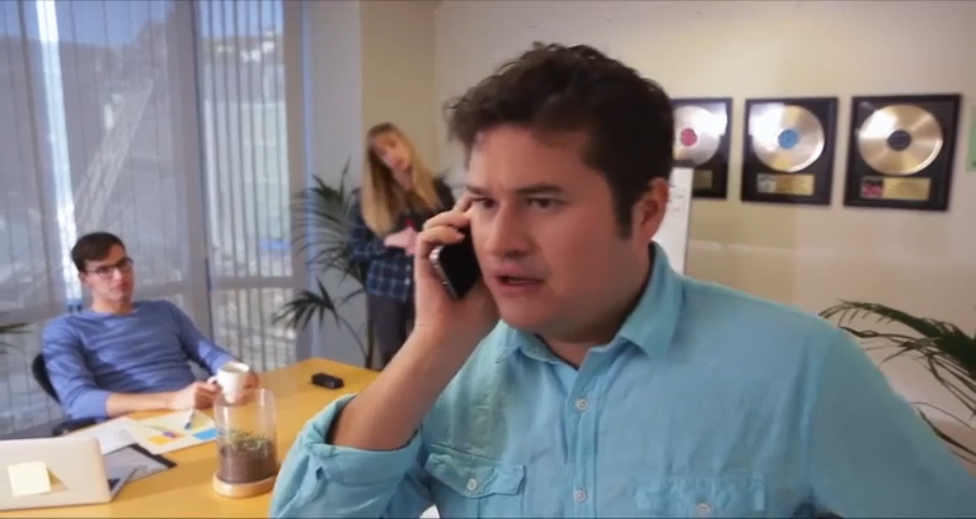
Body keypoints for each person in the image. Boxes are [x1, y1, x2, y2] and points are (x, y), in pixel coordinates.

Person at [271, 44, 976, 517]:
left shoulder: (801, 368)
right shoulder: (453, 372)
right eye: (483, 202)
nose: (501, 239)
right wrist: (433, 346)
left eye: (542, 202)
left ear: (646, 211)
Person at [43, 232, 258, 421]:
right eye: (104, 270)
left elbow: (210, 354)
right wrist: (172, 400)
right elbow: (78, 401)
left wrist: (236, 371)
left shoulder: (164, 311)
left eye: (123, 264)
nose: (119, 276)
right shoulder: (65, 330)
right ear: (85, 279)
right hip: (132, 426)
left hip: (194, 417)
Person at [349, 122, 455, 368]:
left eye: (393, 145)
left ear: (405, 143)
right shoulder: (368, 199)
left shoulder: (438, 191)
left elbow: (456, 237)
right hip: (385, 291)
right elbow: (356, 250)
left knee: (428, 359)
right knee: (392, 362)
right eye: (382, 154)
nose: (392, 156)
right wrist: (388, 242)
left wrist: (429, 243)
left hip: (427, 286)